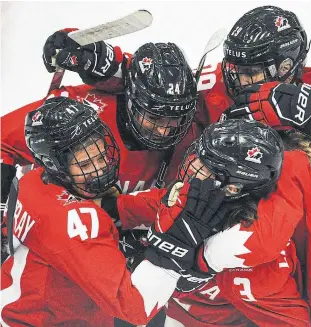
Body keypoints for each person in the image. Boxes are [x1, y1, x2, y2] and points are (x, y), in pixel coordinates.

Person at [0, 97, 227, 326]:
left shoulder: (33, 181)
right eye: (86, 165)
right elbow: (136, 307)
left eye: (100, 157)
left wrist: (173, 199)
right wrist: (172, 250)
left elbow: (107, 207)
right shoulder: (71, 222)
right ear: (55, 164)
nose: (101, 169)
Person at [51, 6, 311, 155]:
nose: (236, 77)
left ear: (287, 66)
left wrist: (304, 112)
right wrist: (100, 61)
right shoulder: (216, 81)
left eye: (250, 72)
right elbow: (158, 86)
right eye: (233, 64)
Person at [98, 119, 311, 326]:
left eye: (206, 165)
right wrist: (111, 207)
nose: (193, 165)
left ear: (233, 187)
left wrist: (197, 265)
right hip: (176, 313)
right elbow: (152, 204)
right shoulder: (201, 197)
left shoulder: (258, 268)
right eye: (199, 156)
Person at [1, 41, 199, 264]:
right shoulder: (81, 111)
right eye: (154, 117)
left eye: (174, 119)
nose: (164, 130)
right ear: (131, 99)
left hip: (107, 252)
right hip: (46, 245)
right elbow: (2, 139)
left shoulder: (193, 130)